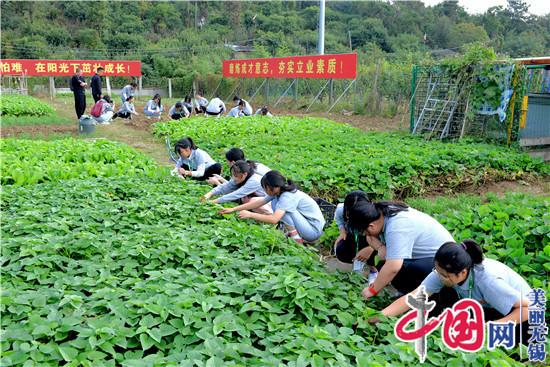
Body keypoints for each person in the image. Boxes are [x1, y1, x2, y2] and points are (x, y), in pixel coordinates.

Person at [378, 240, 531, 346]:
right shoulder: (444, 273)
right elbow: (414, 296)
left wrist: (490, 327)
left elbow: (529, 309)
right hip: (486, 306)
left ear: (463, 272)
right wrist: (379, 316)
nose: (439, 277)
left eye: (444, 275)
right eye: (437, 271)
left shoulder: (488, 281)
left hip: (521, 315)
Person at [348, 201, 454, 298]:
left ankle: (428, 298)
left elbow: (393, 267)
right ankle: (408, 293)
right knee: (384, 259)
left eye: (364, 232)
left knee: (398, 268)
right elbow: (371, 239)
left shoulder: (396, 227)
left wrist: (371, 290)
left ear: (371, 226)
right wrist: (381, 247)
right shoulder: (382, 211)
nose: (366, 235)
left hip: (444, 261)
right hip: (429, 256)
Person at [220, 170, 325, 244]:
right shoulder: (279, 191)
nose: (264, 191)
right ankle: (292, 234)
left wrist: (250, 214)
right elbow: (259, 202)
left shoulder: (287, 196)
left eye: (265, 188)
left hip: (313, 230)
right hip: (307, 224)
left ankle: (296, 240)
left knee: (282, 208)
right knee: (277, 203)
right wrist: (233, 209)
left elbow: (274, 219)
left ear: (271, 187)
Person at [333, 191, 378, 285]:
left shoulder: (375, 214)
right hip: (354, 234)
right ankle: (357, 265)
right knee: (342, 250)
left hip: (376, 240)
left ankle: (374, 270)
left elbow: (384, 237)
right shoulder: (341, 209)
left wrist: (371, 248)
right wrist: (342, 232)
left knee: (368, 246)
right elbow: (339, 219)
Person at [202, 160, 271, 214]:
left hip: (269, 203)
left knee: (252, 200)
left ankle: (267, 217)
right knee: (246, 199)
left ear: (244, 174)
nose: (234, 178)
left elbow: (236, 194)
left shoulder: (254, 181)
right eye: (233, 175)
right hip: (255, 200)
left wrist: (213, 201)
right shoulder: (239, 177)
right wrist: (209, 194)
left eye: (236, 176)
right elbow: (226, 187)